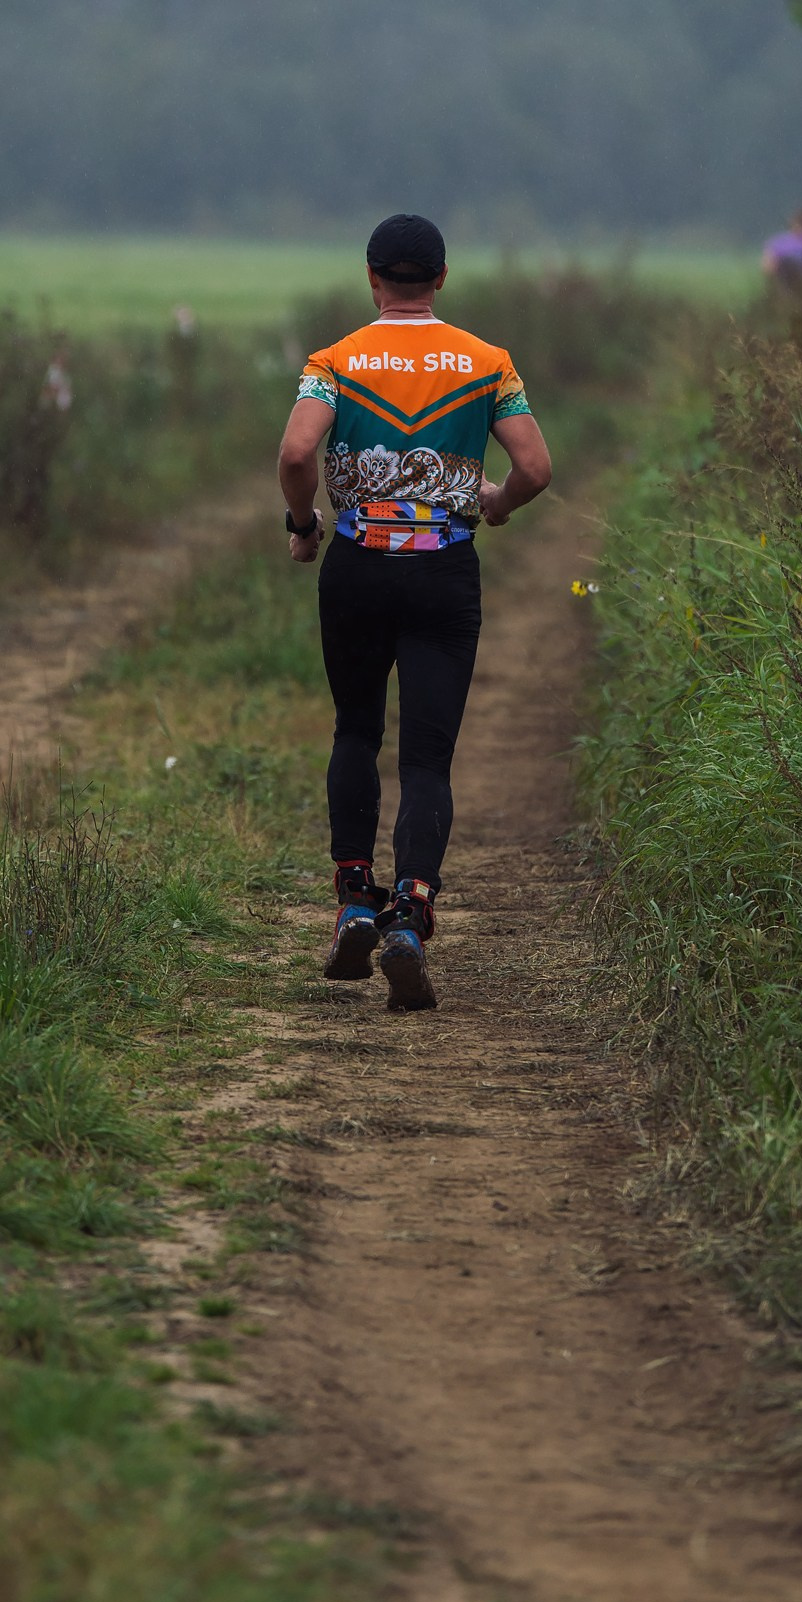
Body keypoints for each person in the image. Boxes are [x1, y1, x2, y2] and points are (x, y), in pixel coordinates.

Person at [276, 213, 553, 1012]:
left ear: (371, 279)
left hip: (358, 568)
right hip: (444, 572)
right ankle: (413, 909)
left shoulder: (335, 361)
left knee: (357, 732)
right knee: (428, 760)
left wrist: (304, 526)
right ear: (440, 278)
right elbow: (533, 466)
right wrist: (494, 504)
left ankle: (356, 900)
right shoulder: (486, 361)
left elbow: (297, 454)